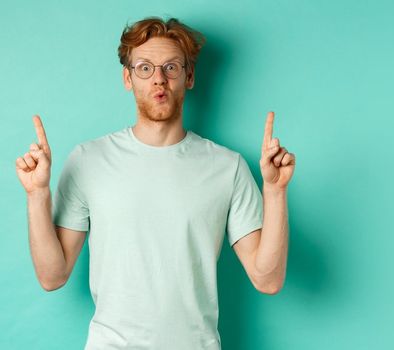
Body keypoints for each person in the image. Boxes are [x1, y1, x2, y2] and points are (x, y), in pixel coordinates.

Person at [14, 16, 295, 349]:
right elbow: (52, 275)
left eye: (171, 68)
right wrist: (37, 194)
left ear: (189, 77)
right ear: (128, 78)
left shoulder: (227, 167)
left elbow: (268, 279)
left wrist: (275, 192)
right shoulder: (88, 160)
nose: (158, 79)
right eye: (145, 68)